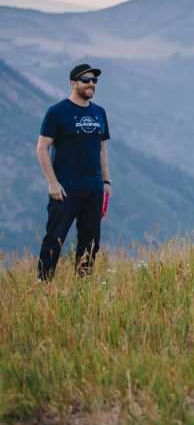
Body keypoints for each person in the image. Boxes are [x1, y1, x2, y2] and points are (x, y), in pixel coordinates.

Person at [35, 63, 112, 281]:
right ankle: (42, 284)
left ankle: (83, 284)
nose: (91, 84)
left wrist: (106, 181)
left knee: (91, 241)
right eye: (85, 80)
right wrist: (52, 182)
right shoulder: (57, 112)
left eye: (94, 81)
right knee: (54, 238)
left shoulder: (99, 113)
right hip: (65, 189)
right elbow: (41, 148)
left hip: (93, 188)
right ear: (73, 83)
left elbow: (102, 148)